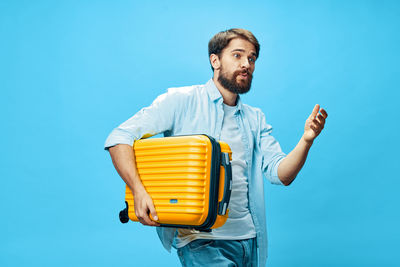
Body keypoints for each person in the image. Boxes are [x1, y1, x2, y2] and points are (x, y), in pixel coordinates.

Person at [104, 28, 328, 267]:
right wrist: (138, 190)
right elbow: (119, 138)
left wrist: (306, 140)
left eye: (252, 58)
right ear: (215, 60)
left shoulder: (256, 118)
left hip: (250, 240)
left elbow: (281, 174)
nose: (247, 64)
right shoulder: (181, 100)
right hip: (199, 240)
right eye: (238, 55)